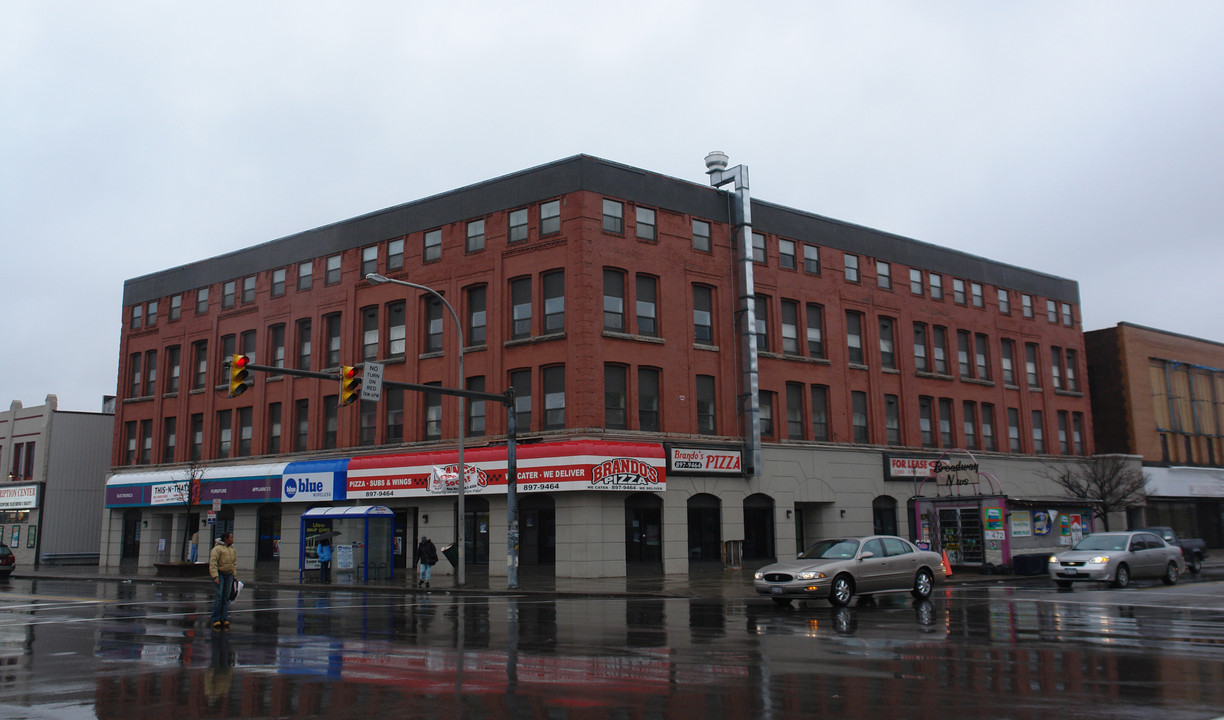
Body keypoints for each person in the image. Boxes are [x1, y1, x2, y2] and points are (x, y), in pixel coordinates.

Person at [209, 532, 238, 631]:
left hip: (229, 574)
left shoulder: (232, 549)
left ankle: (224, 618)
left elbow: (233, 563)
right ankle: (216, 618)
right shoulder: (217, 549)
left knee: (226, 597)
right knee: (219, 596)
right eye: (231, 537)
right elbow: (213, 563)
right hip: (220, 574)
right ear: (226, 539)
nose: (232, 539)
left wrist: (234, 575)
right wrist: (215, 577)